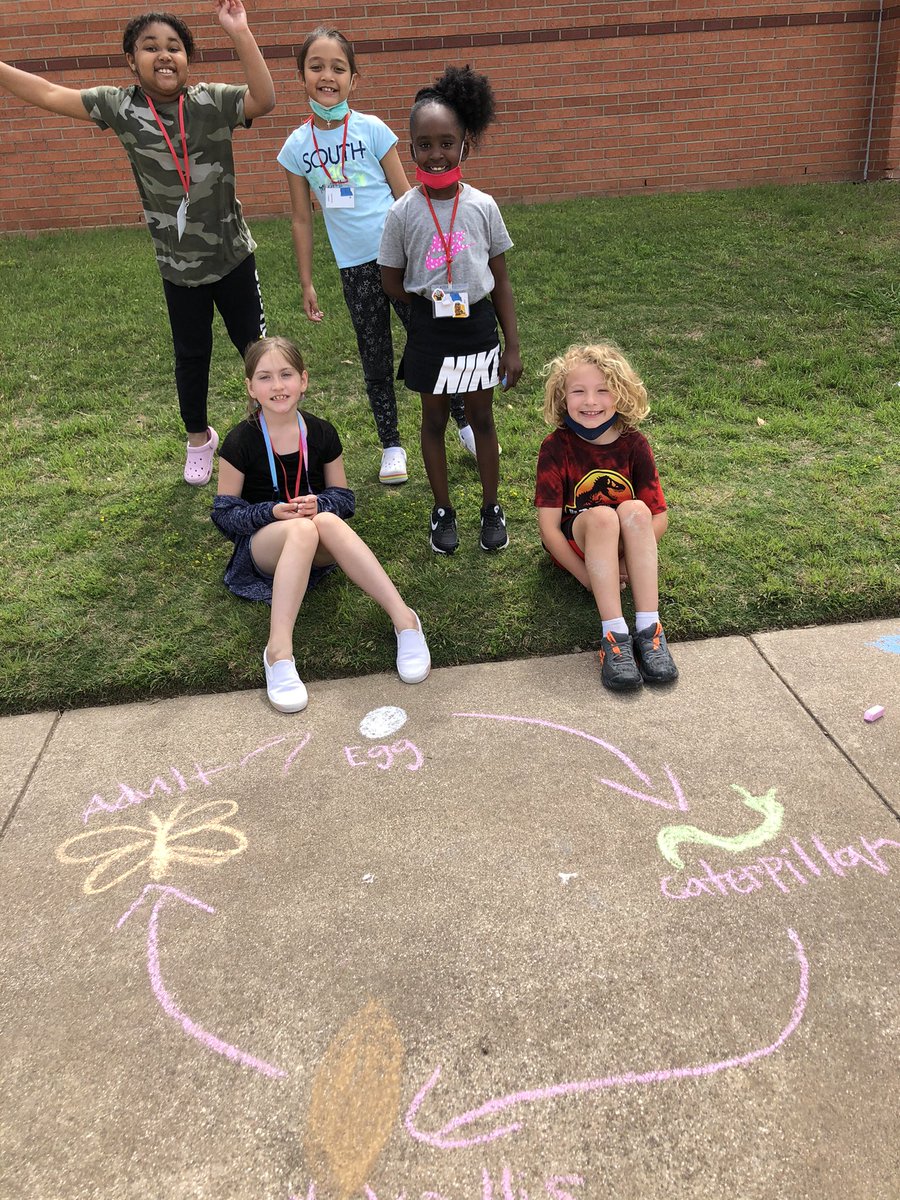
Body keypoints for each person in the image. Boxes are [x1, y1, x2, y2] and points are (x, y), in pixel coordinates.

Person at [0, 1, 275, 487]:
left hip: (233, 256)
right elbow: (46, 93)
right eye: (150, 47)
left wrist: (240, 33)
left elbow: (265, 99)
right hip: (178, 268)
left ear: (188, 59)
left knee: (255, 348)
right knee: (191, 355)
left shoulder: (210, 101)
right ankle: (198, 439)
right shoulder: (120, 107)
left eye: (174, 47)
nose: (163, 55)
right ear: (131, 59)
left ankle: (268, 424)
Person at [277, 27, 473, 487]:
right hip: (354, 270)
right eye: (317, 66)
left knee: (433, 337)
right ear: (301, 76)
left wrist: (433, 253)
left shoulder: (373, 130)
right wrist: (307, 281)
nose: (328, 76)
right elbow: (302, 220)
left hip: (404, 260)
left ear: (354, 79)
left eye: (338, 68)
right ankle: (391, 444)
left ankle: (464, 421)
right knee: (375, 355)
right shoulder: (295, 149)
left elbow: (409, 198)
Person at [211, 336, 431, 712]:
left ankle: (405, 620)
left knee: (324, 521)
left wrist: (319, 503)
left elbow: (344, 499)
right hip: (266, 548)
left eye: (286, 374)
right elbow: (225, 514)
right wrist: (271, 512)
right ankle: (278, 652)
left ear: (304, 380)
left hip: (318, 543)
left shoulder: (322, 432)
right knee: (300, 528)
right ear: (250, 387)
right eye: (265, 377)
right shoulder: (240, 441)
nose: (277, 386)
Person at [379, 65, 522, 554]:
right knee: (434, 421)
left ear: (465, 144)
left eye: (446, 142)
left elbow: (500, 279)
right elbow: (391, 281)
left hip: (478, 328)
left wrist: (513, 347)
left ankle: (490, 506)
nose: (435, 153)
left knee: (482, 418)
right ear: (411, 146)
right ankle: (442, 509)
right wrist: (432, 301)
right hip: (431, 330)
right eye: (424, 144)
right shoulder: (402, 212)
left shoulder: (483, 206)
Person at [534, 344, 678, 692]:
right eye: (578, 391)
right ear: (562, 397)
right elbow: (549, 531)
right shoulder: (556, 448)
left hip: (622, 545)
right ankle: (614, 634)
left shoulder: (634, 444)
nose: (590, 401)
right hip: (582, 541)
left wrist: (627, 561)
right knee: (601, 516)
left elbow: (658, 519)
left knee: (636, 509)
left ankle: (650, 629)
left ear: (620, 395)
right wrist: (586, 575)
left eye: (602, 390)